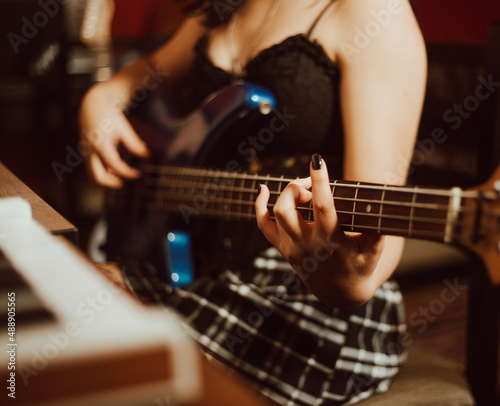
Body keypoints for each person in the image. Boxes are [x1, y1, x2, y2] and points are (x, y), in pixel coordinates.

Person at [79, 0, 427, 404]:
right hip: (195, 269)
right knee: (72, 304)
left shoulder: (373, 11)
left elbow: (382, 229)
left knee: (102, 360)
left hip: (301, 301)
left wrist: (348, 282)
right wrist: (99, 102)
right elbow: (144, 72)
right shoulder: (219, 7)